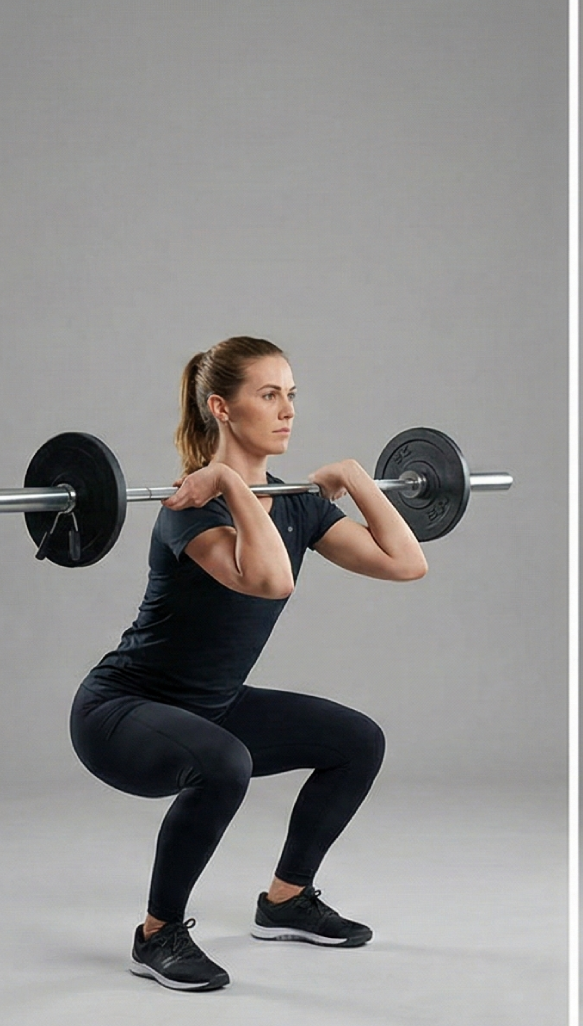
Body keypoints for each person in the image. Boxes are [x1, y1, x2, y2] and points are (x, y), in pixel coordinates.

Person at [68, 336, 427, 992]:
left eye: (291, 394)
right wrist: (231, 481)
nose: (287, 410)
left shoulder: (296, 501)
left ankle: (286, 900)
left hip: (213, 703)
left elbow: (406, 562)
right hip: (121, 712)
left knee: (357, 740)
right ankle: (157, 935)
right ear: (221, 408)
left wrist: (353, 478)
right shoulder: (190, 507)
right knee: (222, 761)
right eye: (269, 395)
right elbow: (269, 579)